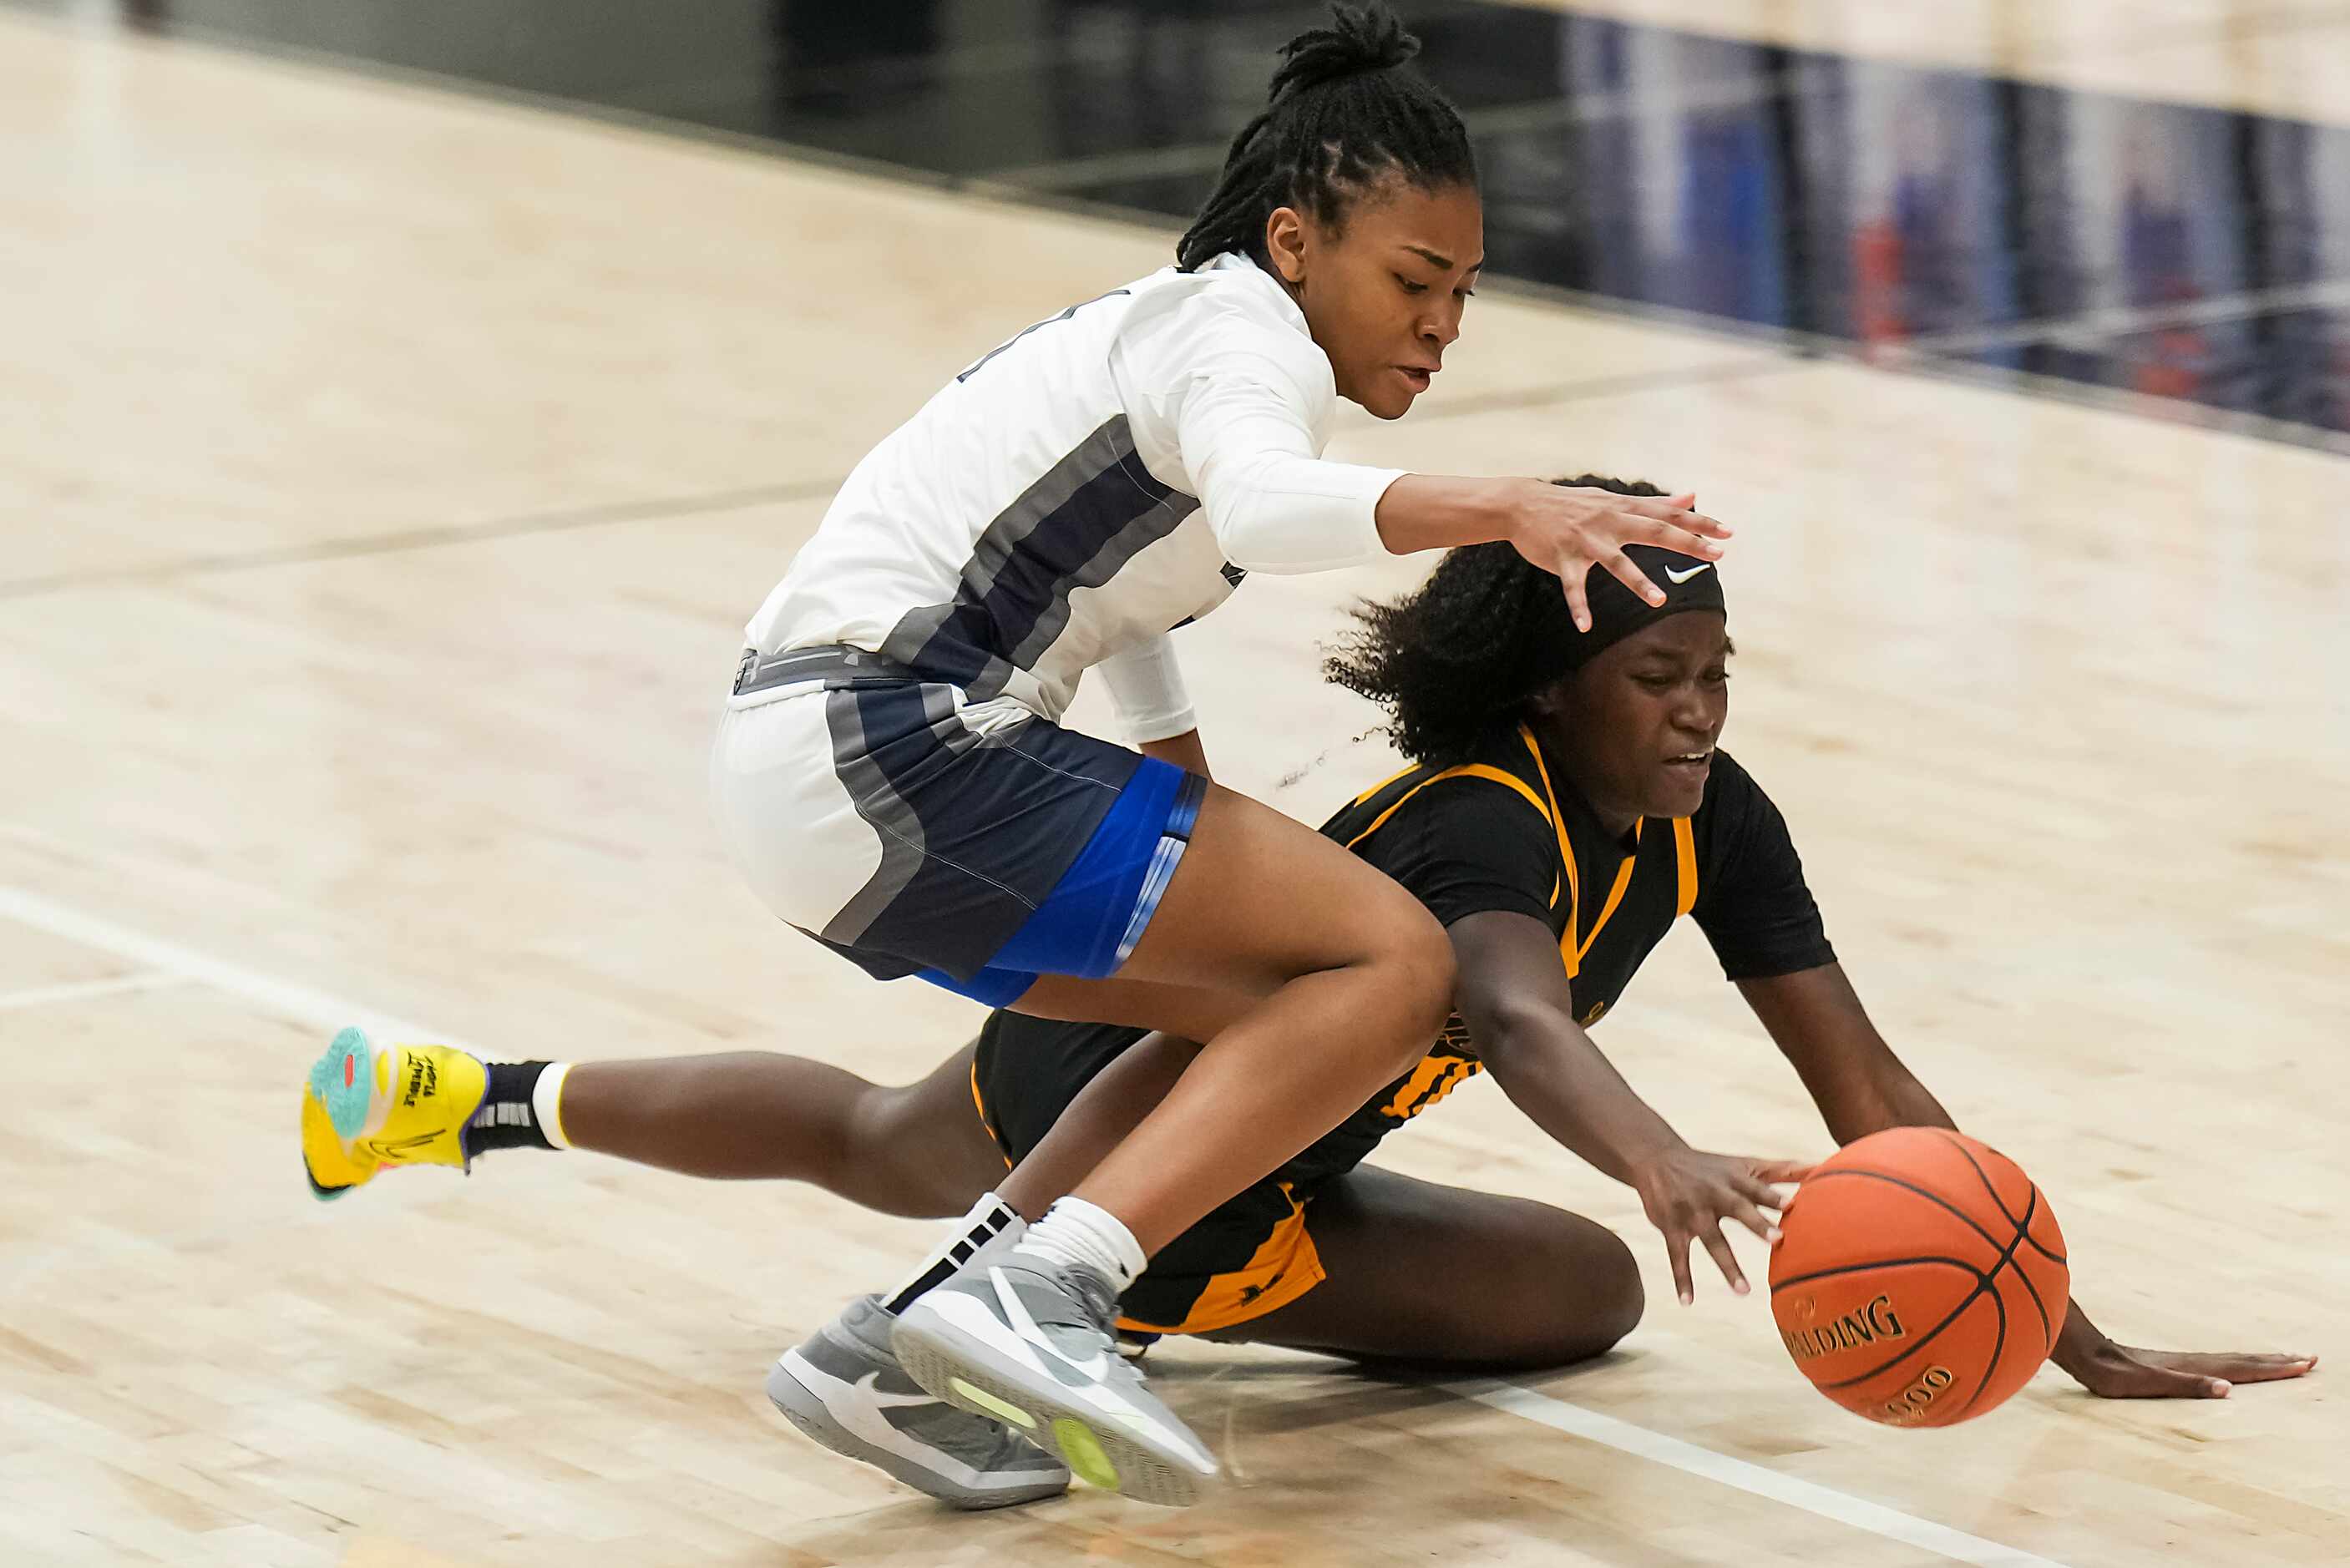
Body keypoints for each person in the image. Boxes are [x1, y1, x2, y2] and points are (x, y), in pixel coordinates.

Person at [302, 476, 2315, 1510]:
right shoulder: (1474, 816)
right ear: (1553, 690)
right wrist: (1660, 1158)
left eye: (1716, 680)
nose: (1697, 715)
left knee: (1589, 1311)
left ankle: (1119, 1299)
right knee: (886, 1142)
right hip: (1156, 1054)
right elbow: (1519, 1016)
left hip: (1294, 1152)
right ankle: (466, 1093)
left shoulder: (1720, 816)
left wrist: (2063, 1323)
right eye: (1655, 683)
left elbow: (1870, 1079)